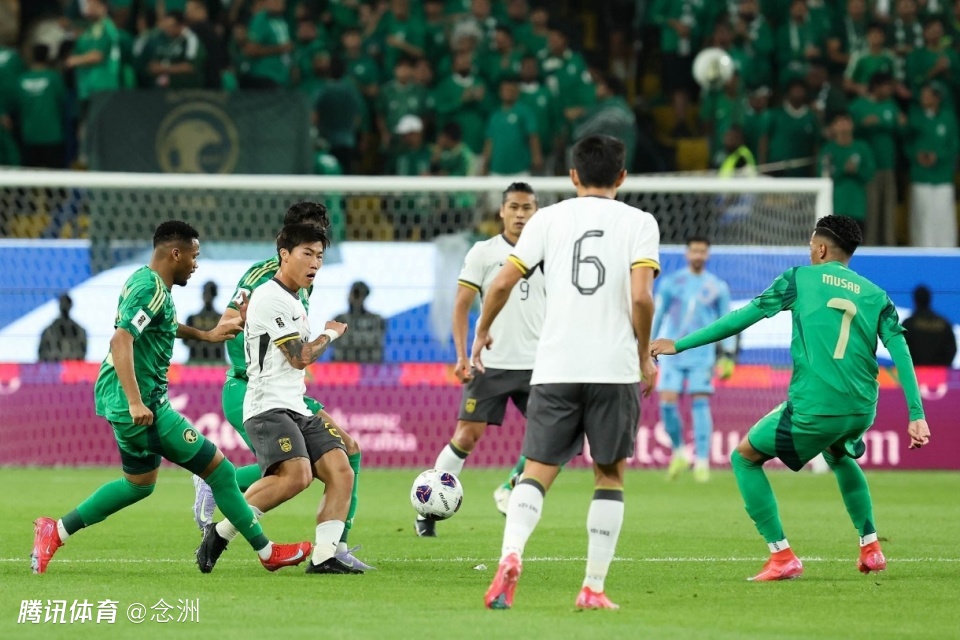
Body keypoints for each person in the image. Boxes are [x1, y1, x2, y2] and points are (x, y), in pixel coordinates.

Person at [651, 215, 931, 582]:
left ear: (821, 248)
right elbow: (901, 351)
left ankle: (781, 555)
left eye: (811, 244)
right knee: (838, 454)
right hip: (862, 408)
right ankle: (871, 547)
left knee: (744, 458)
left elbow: (741, 318)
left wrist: (680, 344)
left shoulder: (799, 279)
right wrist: (916, 414)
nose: (809, 250)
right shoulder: (876, 295)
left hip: (816, 407)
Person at [31, 221, 311, 575]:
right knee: (221, 472)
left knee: (138, 485)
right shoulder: (152, 289)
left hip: (122, 401)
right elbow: (121, 339)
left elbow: (161, 323)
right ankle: (268, 552)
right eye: (194, 256)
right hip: (143, 405)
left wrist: (205, 335)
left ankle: (54, 531)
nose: (196, 264)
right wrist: (136, 401)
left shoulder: (145, 281)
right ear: (175, 254)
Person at [474, 135, 661, 610]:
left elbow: (502, 282)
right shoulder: (640, 222)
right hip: (613, 368)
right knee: (609, 475)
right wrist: (644, 355)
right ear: (622, 176)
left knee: (537, 470)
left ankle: (511, 555)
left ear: (573, 175)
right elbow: (641, 297)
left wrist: (482, 330)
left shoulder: (547, 219)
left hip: (555, 365)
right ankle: (592, 587)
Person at [191, 202, 372, 571]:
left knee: (342, 459)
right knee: (292, 473)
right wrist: (255, 359)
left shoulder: (300, 287)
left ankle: (328, 552)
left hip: (293, 396)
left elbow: (295, 348)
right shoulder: (264, 282)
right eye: (308, 248)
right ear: (285, 246)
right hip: (253, 390)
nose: (315, 258)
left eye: (320, 250)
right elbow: (233, 323)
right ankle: (220, 491)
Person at [416, 183, 543, 538]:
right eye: (514, 207)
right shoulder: (484, 252)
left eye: (527, 208)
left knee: (555, 435)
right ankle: (427, 510)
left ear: (536, 212)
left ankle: (510, 486)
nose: (520, 214)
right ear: (501, 211)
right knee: (467, 436)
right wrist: (461, 355)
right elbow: (461, 305)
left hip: (537, 365)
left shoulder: (549, 253)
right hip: (491, 363)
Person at [652, 237, 735, 482]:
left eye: (702, 251)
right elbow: (658, 315)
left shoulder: (717, 286)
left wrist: (728, 354)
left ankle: (701, 462)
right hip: (671, 352)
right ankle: (679, 451)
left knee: (700, 403)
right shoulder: (671, 283)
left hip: (702, 354)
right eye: (694, 251)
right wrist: (648, 344)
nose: (698, 255)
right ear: (687, 254)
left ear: (707, 255)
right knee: (667, 402)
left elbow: (727, 321)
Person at [817, 112, 876, 233]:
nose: (843, 125)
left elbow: (870, 174)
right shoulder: (828, 150)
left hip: (857, 208)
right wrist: (842, 170)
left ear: (852, 125)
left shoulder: (862, 147)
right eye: (839, 122)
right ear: (833, 127)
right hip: (835, 207)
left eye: (846, 121)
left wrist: (857, 170)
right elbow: (823, 176)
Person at [332, 281, 387, 363]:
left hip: (369, 367)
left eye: (358, 295)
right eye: (354, 294)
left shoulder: (376, 320)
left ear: (365, 297)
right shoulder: (339, 320)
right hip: (344, 366)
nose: (354, 298)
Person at [903, 285, 958, 366]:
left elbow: (900, 349)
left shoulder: (909, 324)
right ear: (929, 299)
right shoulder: (944, 324)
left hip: (915, 371)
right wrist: (942, 367)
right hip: (939, 372)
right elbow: (951, 349)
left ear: (915, 300)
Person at [184, 281, 225, 364]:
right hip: (195, 364)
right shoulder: (192, 319)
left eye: (210, 293)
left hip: (217, 365)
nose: (208, 296)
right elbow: (186, 341)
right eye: (207, 293)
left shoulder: (222, 319)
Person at [38, 294, 87, 362]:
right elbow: (42, 354)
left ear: (70, 306)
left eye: (66, 304)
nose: (64, 306)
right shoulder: (49, 331)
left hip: (72, 366)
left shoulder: (80, 331)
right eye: (62, 303)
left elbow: (81, 354)